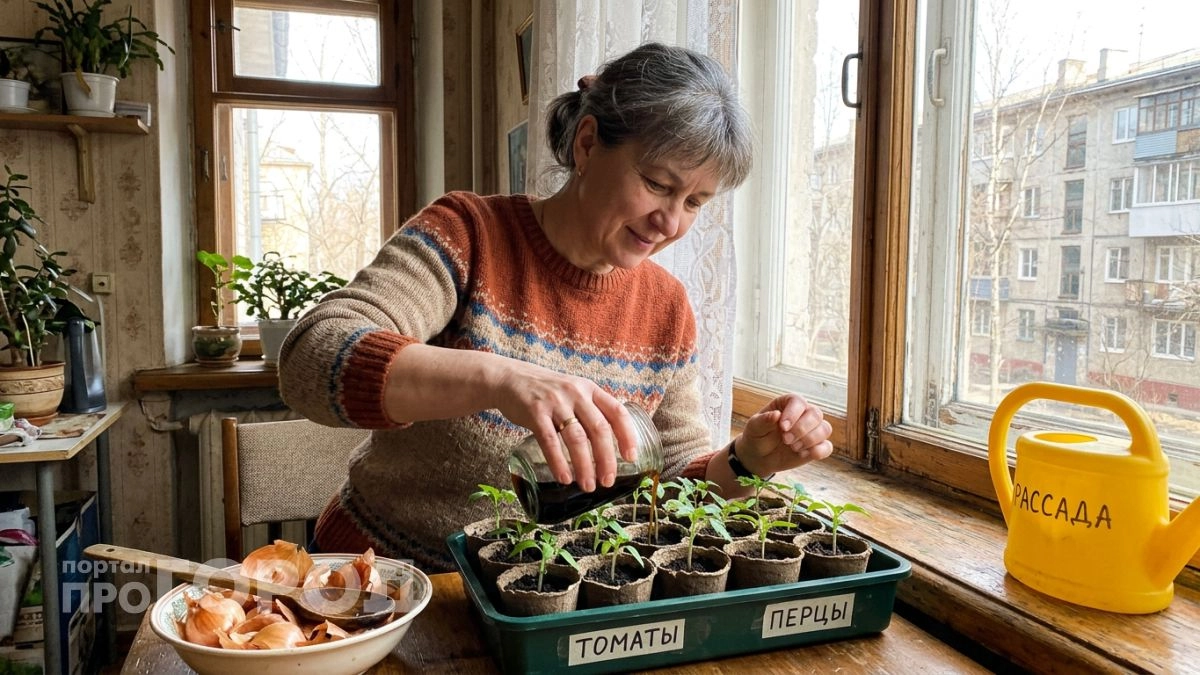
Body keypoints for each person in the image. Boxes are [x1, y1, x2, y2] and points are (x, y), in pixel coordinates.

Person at [278, 42, 833, 572]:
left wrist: (747, 460)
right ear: (587, 144)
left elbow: (667, 491)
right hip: (378, 577)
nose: (670, 222)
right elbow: (313, 356)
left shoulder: (666, 308)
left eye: (694, 203)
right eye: (657, 184)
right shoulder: (468, 235)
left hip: (535, 595)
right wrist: (502, 380)